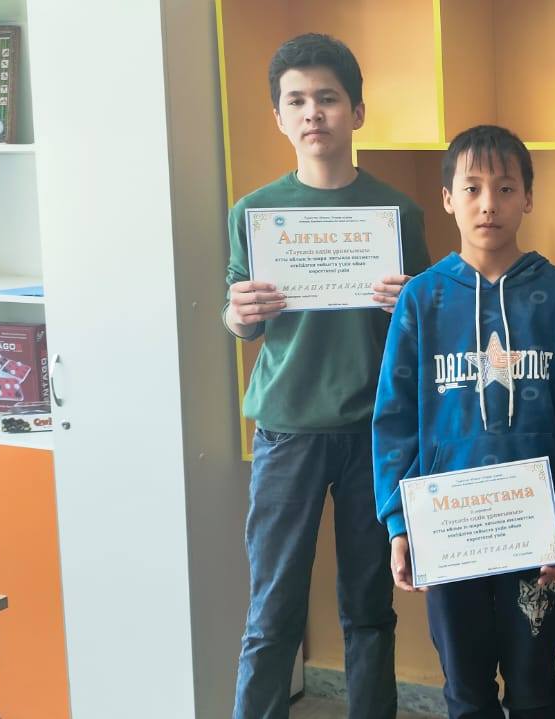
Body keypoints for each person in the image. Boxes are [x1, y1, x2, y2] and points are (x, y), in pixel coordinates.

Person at [224, 32, 430, 719]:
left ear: (357, 112)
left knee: (369, 607)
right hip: (288, 428)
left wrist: (411, 306)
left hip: (375, 431)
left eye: (328, 98)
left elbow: (421, 331)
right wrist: (237, 314)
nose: (313, 112)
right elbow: (245, 323)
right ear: (279, 118)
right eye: (297, 101)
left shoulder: (398, 214)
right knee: (272, 609)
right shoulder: (254, 214)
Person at [373, 125, 555, 719]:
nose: (488, 204)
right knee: (466, 689)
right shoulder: (422, 299)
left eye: (505, 188)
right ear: (447, 198)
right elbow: (394, 419)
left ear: (528, 197)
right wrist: (399, 523)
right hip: (448, 531)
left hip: (535, 529)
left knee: (535, 685)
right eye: (471, 188)